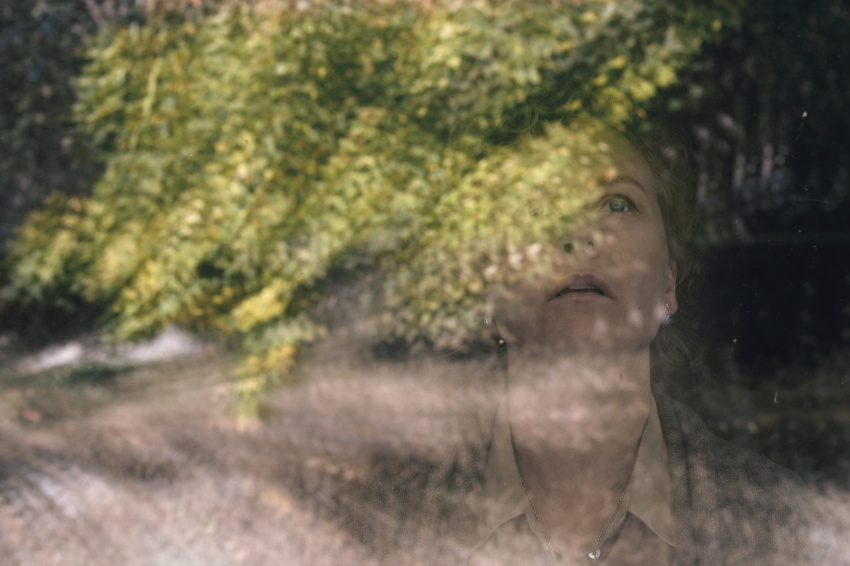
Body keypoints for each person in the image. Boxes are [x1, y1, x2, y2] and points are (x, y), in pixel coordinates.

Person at [467, 116, 843, 565]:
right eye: (535, 207)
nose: (577, 235)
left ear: (668, 283)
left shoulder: (790, 531)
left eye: (617, 204)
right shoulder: (389, 511)